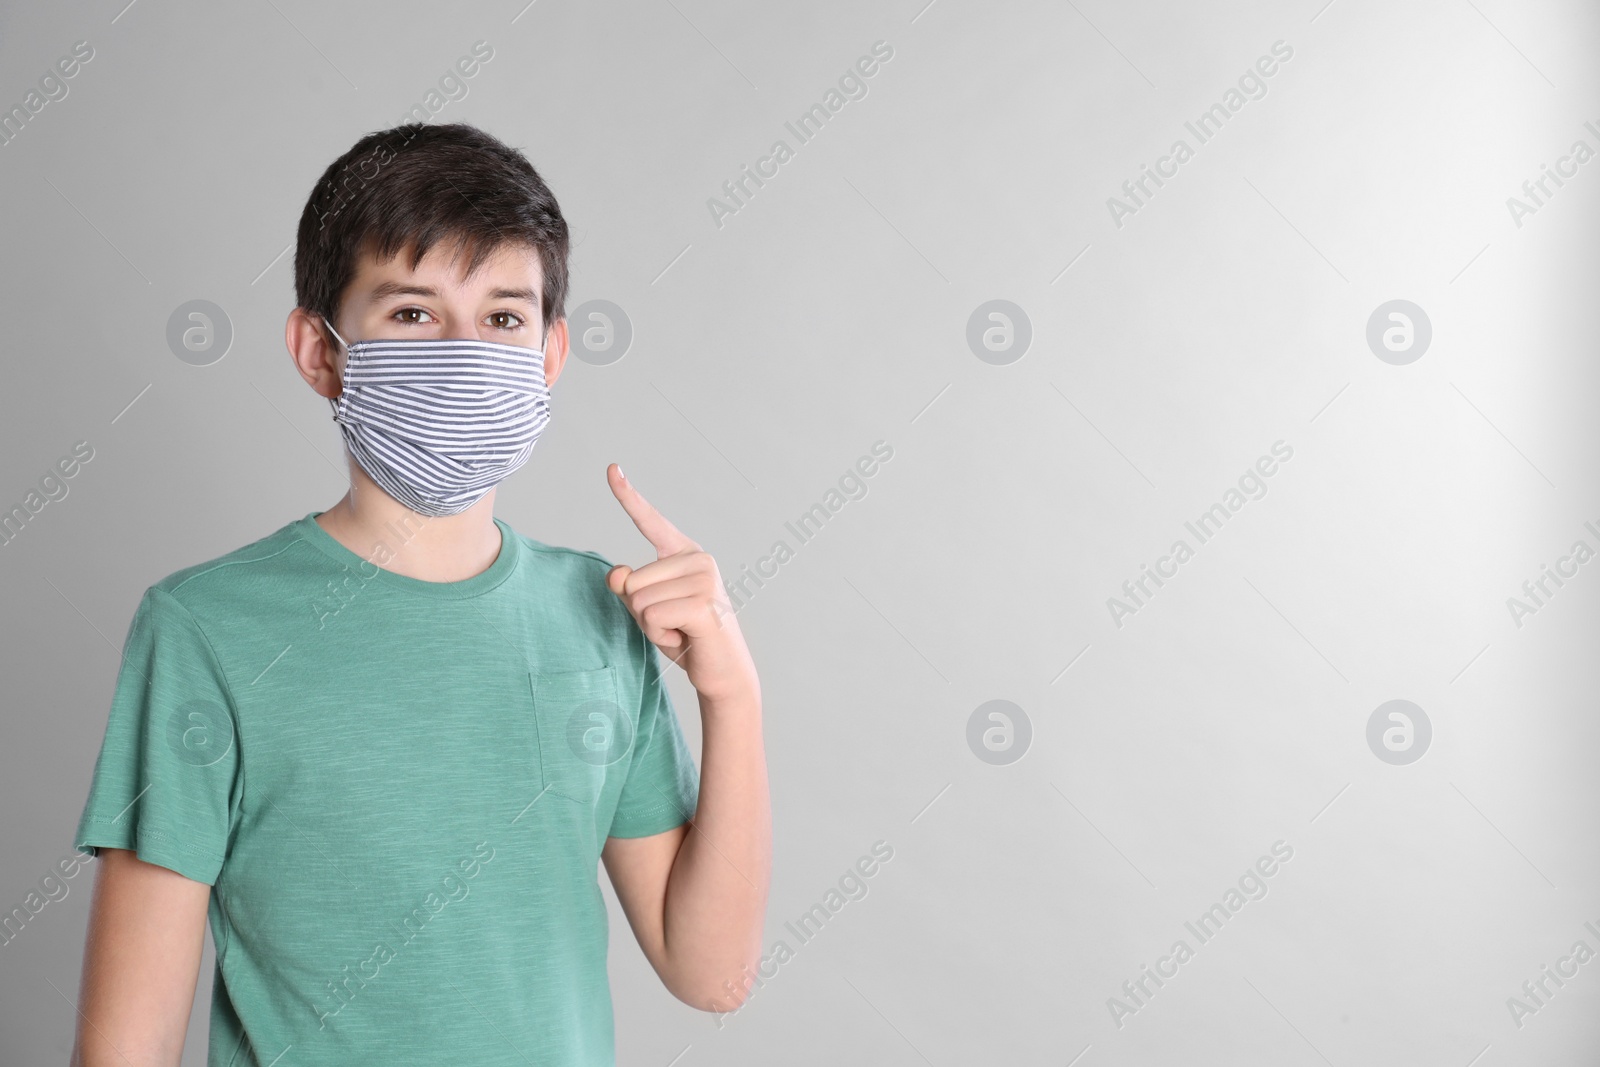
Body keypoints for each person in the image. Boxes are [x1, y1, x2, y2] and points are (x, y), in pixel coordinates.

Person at [68, 121, 771, 1067]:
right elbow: (127, 1048)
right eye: (411, 313)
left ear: (551, 355)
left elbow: (710, 974)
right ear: (321, 353)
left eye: (504, 318)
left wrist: (732, 694)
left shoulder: (603, 614)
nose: (465, 351)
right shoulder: (208, 629)